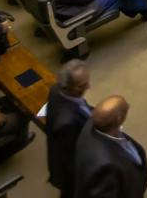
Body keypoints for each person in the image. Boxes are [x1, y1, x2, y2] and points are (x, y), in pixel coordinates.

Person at [72, 97, 147, 198]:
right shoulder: (106, 167)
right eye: (125, 108)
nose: (128, 106)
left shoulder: (92, 123)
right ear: (119, 119)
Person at [45, 59, 92, 198]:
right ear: (67, 87)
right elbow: (72, 162)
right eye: (82, 85)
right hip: (72, 174)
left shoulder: (56, 89)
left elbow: (83, 107)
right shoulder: (66, 124)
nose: (88, 86)